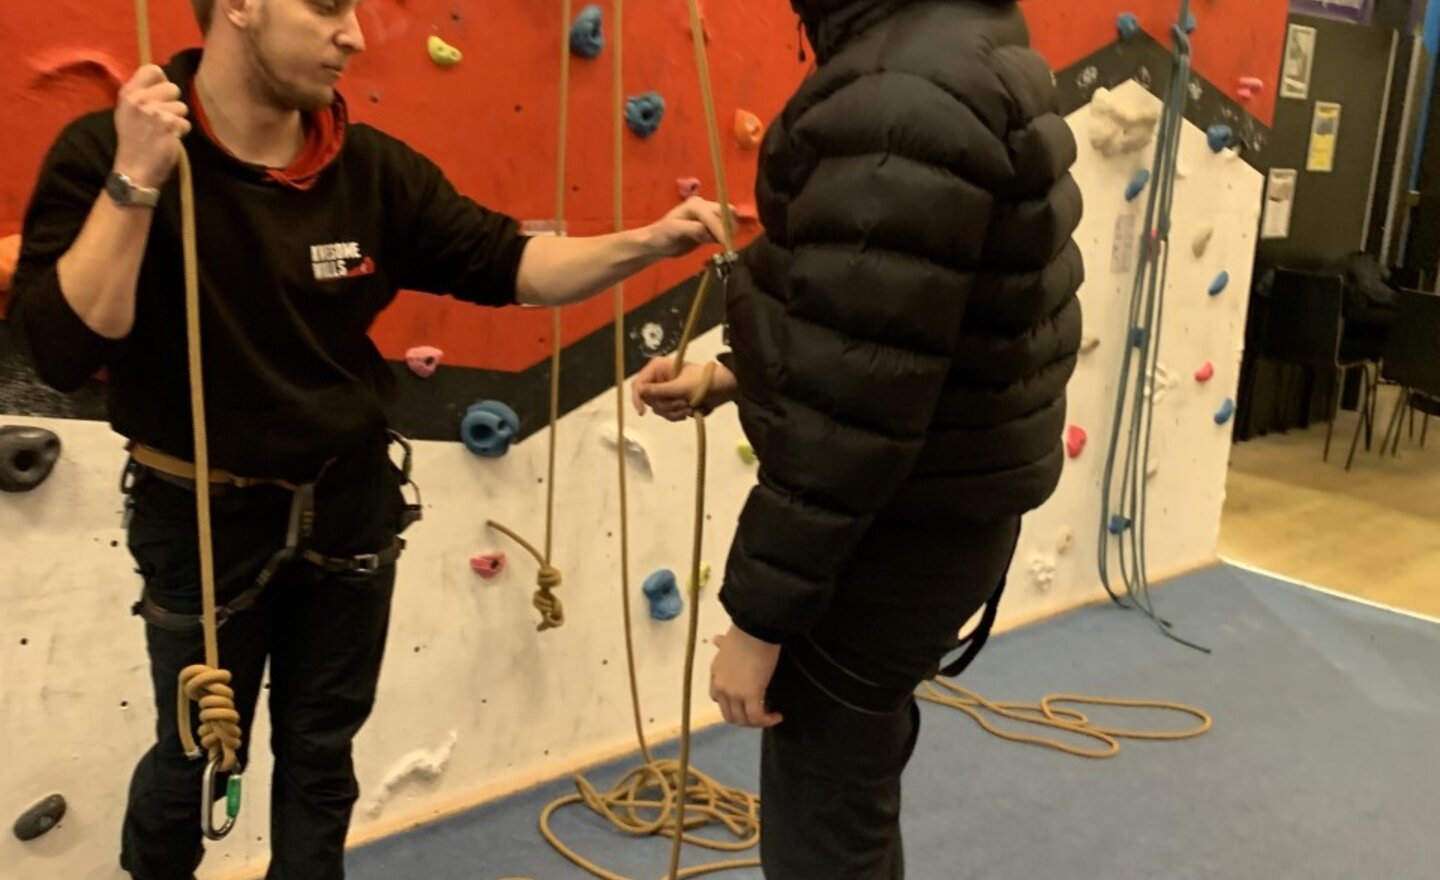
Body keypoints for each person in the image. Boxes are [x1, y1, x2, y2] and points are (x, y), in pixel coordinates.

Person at [8, 1, 727, 878]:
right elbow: (66, 348)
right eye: (325, 5)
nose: (352, 32)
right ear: (239, 7)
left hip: (348, 506)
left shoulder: (368, 171)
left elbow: (512, 265)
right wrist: (135, 179)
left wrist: (649, 242)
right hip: (201, 518)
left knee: (321, 754)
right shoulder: (110, 151)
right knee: (194, 754)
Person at [632, 0, 1082, 876]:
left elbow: (856, 404)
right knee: (850, 786)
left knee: (825, 824)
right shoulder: (956, 45)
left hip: (890, 530)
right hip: (940, 513)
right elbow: (900, 323)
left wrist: (759, 622)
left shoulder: (896, 93)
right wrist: (734, 375)